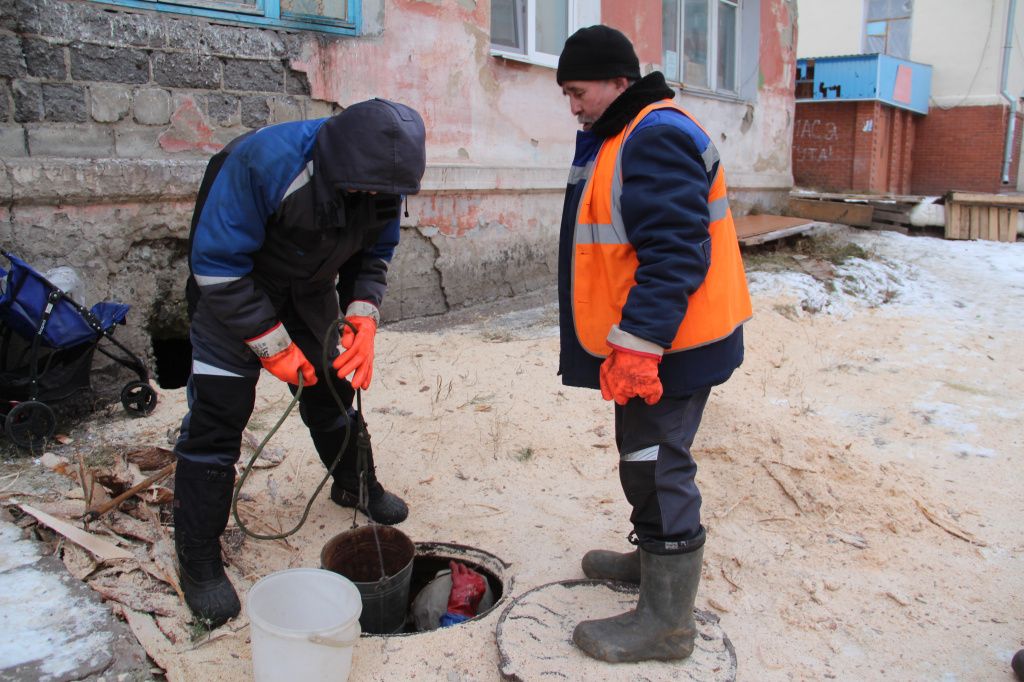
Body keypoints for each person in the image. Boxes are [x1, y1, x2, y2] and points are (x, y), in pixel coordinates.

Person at [172, 98, 427, 627]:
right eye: (365, 191)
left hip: (310, 293)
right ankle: (198, 558)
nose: (376, 200)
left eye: (386, 195)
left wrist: (363, 318)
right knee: (218, 419)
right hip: (233, 293)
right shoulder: (264, 162)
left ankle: (355, 484)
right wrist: (272, 346)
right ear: (337, 165)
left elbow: (374, 256)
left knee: (332, 391)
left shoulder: (384, 184)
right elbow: (216, 264)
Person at [554, 26, 752, 663]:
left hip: (667, 346)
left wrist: (638, 346)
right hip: (654, 341)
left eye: (578, 91)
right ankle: (652, 558)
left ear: (617, 82)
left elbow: (673, 255)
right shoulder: (627, 132)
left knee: (655, 462)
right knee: (641, 452)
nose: (574, 106)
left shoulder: (654, 134)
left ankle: (667, 623)